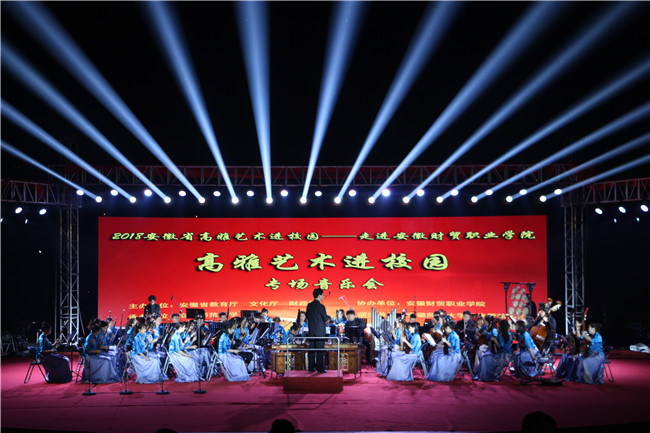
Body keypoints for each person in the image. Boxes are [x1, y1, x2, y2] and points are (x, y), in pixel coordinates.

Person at [306, 288, 328, 373]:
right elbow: (325, 318)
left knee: (311, 350)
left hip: (311, 331)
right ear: (319, 295)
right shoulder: (321, 306)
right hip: (320, 331)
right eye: (322, 295)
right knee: (319, 350)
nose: (323, 296)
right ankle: (320, 369)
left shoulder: (309, 305)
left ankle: (311, 368)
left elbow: (307, 316)